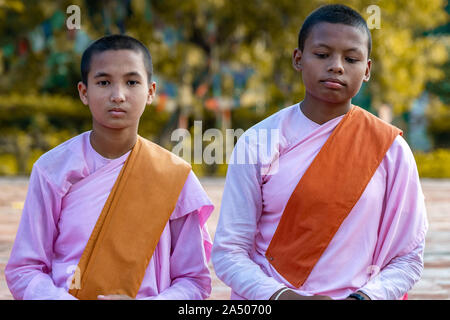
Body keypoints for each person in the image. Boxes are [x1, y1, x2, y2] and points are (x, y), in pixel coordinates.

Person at [211, 4, 427, 300]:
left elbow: (408, 258)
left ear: (366, 70)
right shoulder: (258, 142)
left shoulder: (391, 150)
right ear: (298, 59)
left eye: (351, 58)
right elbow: (229, 252)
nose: (337, 66)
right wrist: (282, 296)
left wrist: (361, 299)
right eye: (323, 55)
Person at [5, 35, 214, 300]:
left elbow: (194, 281)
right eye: (104, 82)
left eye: (131, 82)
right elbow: (24, 270)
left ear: (150, 92)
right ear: (84, 92)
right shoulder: (53, 170)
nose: (118, 95)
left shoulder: (174, 176)